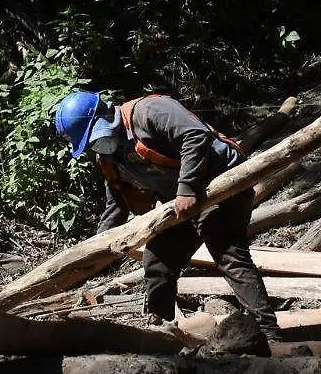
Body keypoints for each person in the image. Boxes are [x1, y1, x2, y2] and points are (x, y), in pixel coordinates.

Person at [54, 90, 281, 341]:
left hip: (223, 183)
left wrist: (186, 188)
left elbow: (195, 136)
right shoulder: (110, 157)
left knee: (225, 249)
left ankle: (268, 333)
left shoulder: (149, 112)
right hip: (183, 202)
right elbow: (117, 203)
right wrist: (96, 248)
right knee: (157, 259)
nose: (97, 146)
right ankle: (161, 334)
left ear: (105, 115)